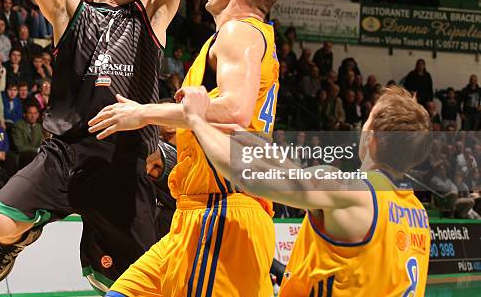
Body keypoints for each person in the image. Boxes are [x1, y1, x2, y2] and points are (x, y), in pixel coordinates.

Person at [0, 0, 190, 291]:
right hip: (65, 154)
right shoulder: (71, 11)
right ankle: (22, 237)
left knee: (123, 286)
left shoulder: (151, 14)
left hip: (122, 168)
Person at [92, 0, 284, 294]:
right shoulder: (241, 33)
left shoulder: (238, 35)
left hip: (222, 214)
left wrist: (143, 114)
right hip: (195, 215)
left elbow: (233, 109)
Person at [177, 85, 432, 296]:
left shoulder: (350, 193)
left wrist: (197, 120)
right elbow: (302, 179)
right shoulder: (418, 214)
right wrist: (260, 147)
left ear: (371, 138)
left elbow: (249, 176)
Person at [11, 104, 43, 169]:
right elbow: (19, 147)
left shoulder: (39, 127)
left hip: (35, 155)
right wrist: (36, 150)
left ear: (38, 115)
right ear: (24, 115)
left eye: (35, 113)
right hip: (22, 156)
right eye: (30, 113)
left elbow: (40, 144)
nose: (33, 116)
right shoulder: (18, 125)